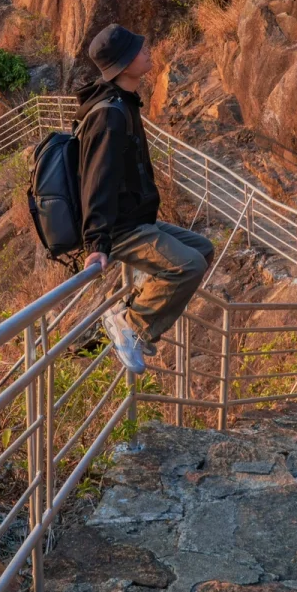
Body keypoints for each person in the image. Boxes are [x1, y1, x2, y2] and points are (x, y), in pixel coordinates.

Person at [77, 22, 214, 374]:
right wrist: (97, 241)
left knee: (202, 250)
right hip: (120, 229)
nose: (147, 50)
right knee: (189, 265)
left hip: (137, 219)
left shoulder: (124, 103)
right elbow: (97, 180)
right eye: (139, 49)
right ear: (123, 65)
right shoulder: (109, 114)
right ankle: (132, 326)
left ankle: (130, 309)